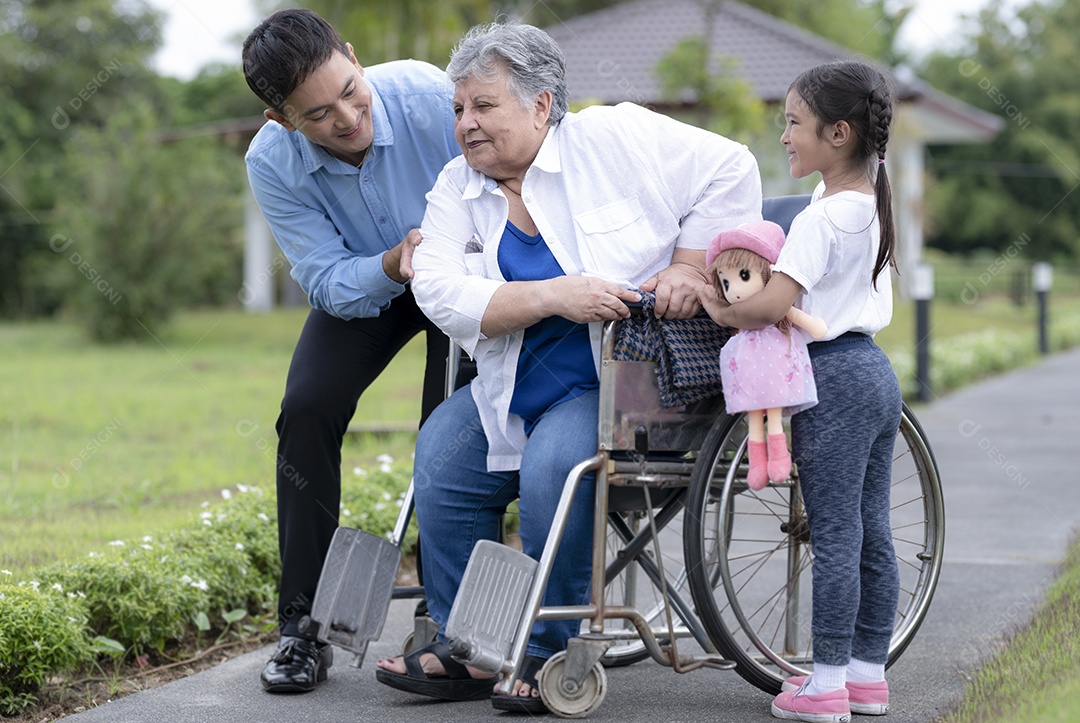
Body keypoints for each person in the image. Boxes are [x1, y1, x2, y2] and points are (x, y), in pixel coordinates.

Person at [374, 21, 762, 715]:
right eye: (459, 109)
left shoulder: (617, 139)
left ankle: (550, 646)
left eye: (483, 106)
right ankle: (471, 643)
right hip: (512, 378)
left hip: (623, 377)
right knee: (440, 452)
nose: (466, 123)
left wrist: (686, 263)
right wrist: (556, 294)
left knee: (554, 463)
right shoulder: (456, 187)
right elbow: (434, 287)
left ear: (542, 105)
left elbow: (731, 166)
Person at [241, 8, 460, 693]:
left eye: (349, 89)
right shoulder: (270, 162)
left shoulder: (430, 96)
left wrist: (442, 263)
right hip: (368, 284)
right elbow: (326, 278)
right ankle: (302, 630)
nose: (346, 117)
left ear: (356, 57)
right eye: (318, 113)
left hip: (464, 277)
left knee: (450, 428)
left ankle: (443, 618)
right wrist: (393, 265)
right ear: (282, 120)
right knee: (304, 409)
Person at [698, 59, 901, 722]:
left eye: (792, 121)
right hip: (874, 373)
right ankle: (868, 674)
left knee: (835, 531)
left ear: (838, 133)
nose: (783, 134)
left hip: (833, 378)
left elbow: (772, 303)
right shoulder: (868, 205)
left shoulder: (820, 218)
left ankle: (827, 684)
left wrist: (721, 308)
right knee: (872, 529)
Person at [705, 220, 824, 491]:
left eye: (743, 276)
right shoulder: (740, 318)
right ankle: (757, 464)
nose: (733, 289)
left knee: (772, 414)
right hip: (750, 372)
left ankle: (779, 456)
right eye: (725, 281)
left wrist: (815, 326)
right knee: (754, 416)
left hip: (774, 370)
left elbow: (805, 322)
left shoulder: (775, 310)